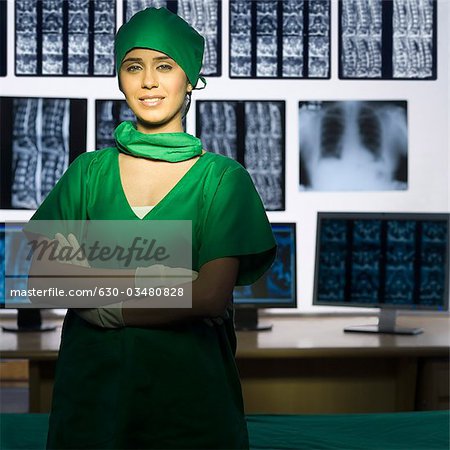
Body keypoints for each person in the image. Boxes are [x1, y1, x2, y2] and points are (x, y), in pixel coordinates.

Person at [25, 7, 277, 450]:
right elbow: (45, 281)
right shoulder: (88, 173)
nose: (148, 82)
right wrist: (170, 280)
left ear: (191, 77)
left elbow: (209, 296)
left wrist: (101, 299)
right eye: (133, 67)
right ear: (120, 78)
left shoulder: (221, 179)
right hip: (93, 401)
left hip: (190, 406)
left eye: (165, 66)